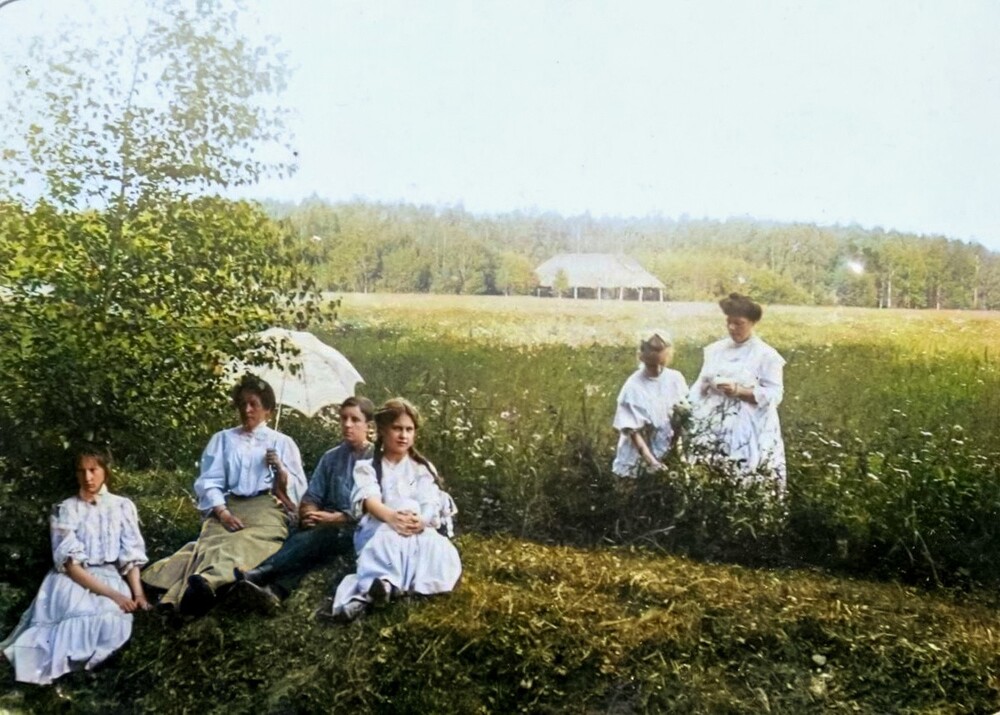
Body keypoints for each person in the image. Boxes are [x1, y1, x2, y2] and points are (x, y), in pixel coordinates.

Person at [142, 374, 306, 617]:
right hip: (229, 505)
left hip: (267, 509)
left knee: (244, 543)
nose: (247, 410)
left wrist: (280, 469)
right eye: (242, 404)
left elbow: (297, 489)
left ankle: (202, 586)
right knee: (214, 543)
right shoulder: (223, 439)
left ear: (268, 410)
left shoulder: (281, 443)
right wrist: (222, 512)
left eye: (254, 404)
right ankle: (195, 588)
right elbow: (210, 481)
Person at [1, 447, 149, 684]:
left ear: (105, 471)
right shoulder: (66, 508)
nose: (88, 478)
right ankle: (67, 671)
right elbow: (71, 566)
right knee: (78, 615)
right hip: (73, 579)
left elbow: (130, 555)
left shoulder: (122, 505)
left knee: (111, 619)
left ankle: (90, 671)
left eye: (93, 470)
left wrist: (138, 594)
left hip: (109, 574)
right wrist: (116, 596)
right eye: (81, 471)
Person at [233, 396, 376, 611]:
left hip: (356, 529)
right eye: (343, 418)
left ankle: (262, 573)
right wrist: (309, 513)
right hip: (324, 525)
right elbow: (312, 497)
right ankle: (275, 592)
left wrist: (337, 518)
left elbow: (374, 506)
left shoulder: (377, 459)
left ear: (369, 426)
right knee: (305, 535)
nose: (347, 425)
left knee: (322, 536)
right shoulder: (331, 458)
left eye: (355, 420)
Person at [324, 398, 460, 622]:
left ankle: (384, 589)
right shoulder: (368, 468)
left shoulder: (421, 468)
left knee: (436, 547)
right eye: (397, 428)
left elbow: (429, 501)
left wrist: (421, 521)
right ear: (382, 431)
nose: (403, 435)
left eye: (409, 429)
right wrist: (392, 517)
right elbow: (370, 500)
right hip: (380, 526)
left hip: (414, 529)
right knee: (388, 536)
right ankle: (384, 584)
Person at [688, 293, 787, 491]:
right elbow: (700, 385)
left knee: (747, 474)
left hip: (749, 424)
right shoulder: (715, 350)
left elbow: (775, 395)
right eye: (729, 322)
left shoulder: (766, 355)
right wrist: (688, 408)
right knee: (708, 471)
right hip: (713, 422)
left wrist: (739, 391)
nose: (732, 328)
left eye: (739, 323)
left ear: (752, 323)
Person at [611, 329, 689, 477]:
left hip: (669, 448)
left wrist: (674, 450)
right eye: (653, 365)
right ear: (642, 355)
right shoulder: (633, 387)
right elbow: (633, 432)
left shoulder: (676, 379)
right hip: (641, 454)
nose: (658, 368)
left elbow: (682, 417)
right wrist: (652, 462)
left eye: (662, 363)